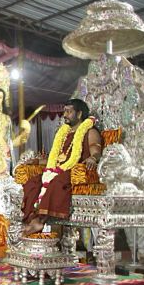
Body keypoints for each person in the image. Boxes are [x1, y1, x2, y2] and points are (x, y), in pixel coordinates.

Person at [22, 99, 102, 234]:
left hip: (74, 171)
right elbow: (55, 159)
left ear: (79, 114)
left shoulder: (90, 131)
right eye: (64, 111)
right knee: (33, 182)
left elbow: (96, 150)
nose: (64, 115)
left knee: (56, 181)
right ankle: (29, 218)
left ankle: (39, 221)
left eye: (69, 112)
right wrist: (36, 162)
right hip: (57, 170)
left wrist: (93, 158)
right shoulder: (63, 134)